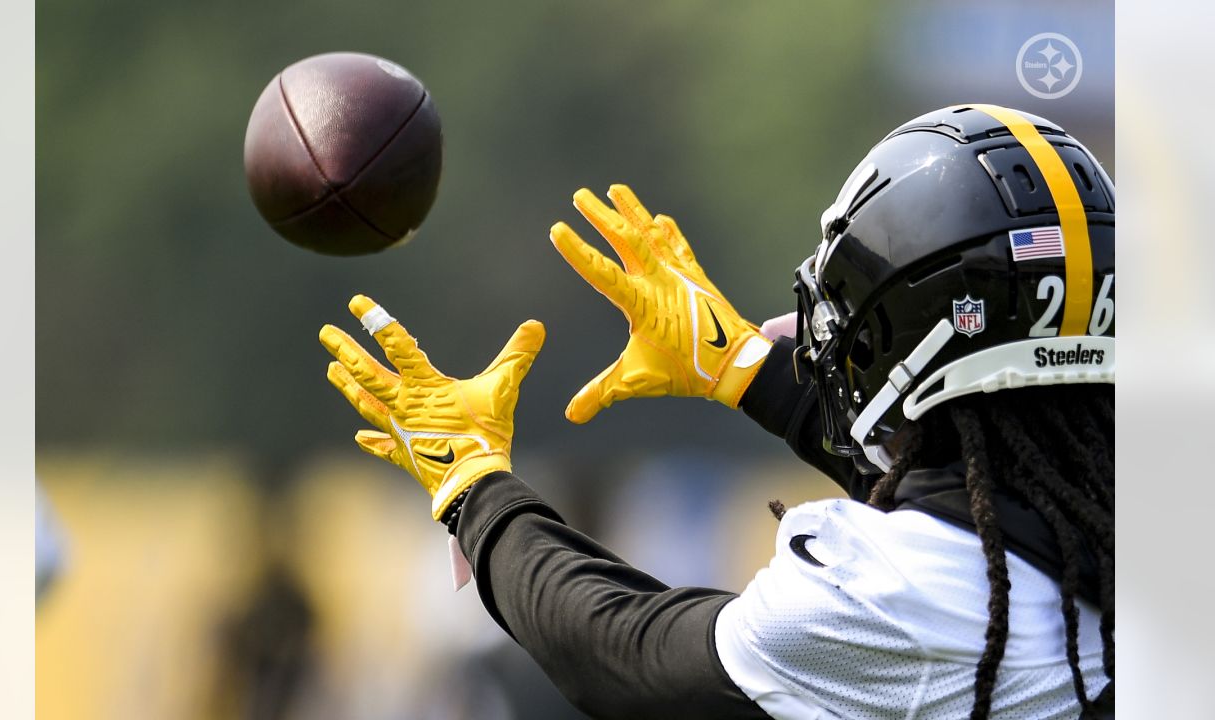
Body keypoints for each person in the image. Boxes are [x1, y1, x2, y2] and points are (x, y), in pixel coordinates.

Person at [317, 104, 1114, 719]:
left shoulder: (901, 596)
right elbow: (996, 501)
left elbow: (622, 655)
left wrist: (475, 488)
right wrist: (746, 371)